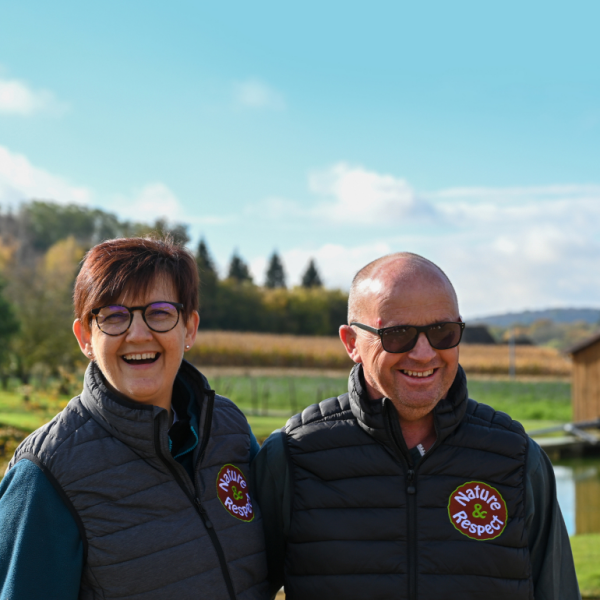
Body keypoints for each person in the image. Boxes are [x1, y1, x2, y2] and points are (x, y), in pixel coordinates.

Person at [252, 252, 580, 600]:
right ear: (351, 343)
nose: (423, 353)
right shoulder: (292, 457)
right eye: (397, 334)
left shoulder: (517, 460)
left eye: (443, 332)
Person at [0, 237, 269, 600]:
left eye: (159, 312)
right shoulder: (46, 473)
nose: (138, 334)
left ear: (189, 328)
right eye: (113, 316)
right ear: (85, 338)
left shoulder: (228, 428)